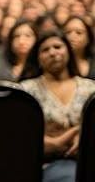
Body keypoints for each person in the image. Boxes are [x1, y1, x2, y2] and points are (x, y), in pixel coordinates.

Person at [20, 30, 95, 182]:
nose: (53, 53)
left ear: (68, 50)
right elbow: (18, 136)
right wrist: (51, 144)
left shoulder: (91, 88)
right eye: (45, 50)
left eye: (57, 47)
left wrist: (84, 136)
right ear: (38, 58)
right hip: (42, 164)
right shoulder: (26, 91)